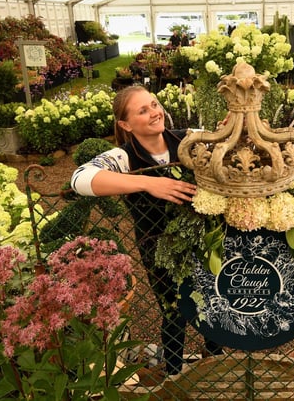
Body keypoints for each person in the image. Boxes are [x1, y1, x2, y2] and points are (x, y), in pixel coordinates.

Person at [71, 86, 222, 378]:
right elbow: (80, 179)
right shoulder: (124, 157)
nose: (155, 112)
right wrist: (148, 183)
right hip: (158, 247)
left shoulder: (188, 139)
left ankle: (215, 364)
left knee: (212, 301)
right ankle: (175, 375)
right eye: (143, 110)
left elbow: (228, 141)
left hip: (204, 239)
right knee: (173, 310)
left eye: (154, 104)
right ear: (125, 125)